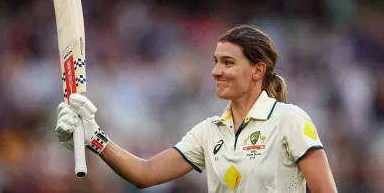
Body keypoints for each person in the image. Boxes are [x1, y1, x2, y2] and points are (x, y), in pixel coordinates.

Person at [56, 24, 338, 192]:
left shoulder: (289, 119)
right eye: (216, 61)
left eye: (228, 62)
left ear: (257, 70)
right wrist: (94, 136)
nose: (216, 71)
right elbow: (145, 173)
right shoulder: (208, 132)